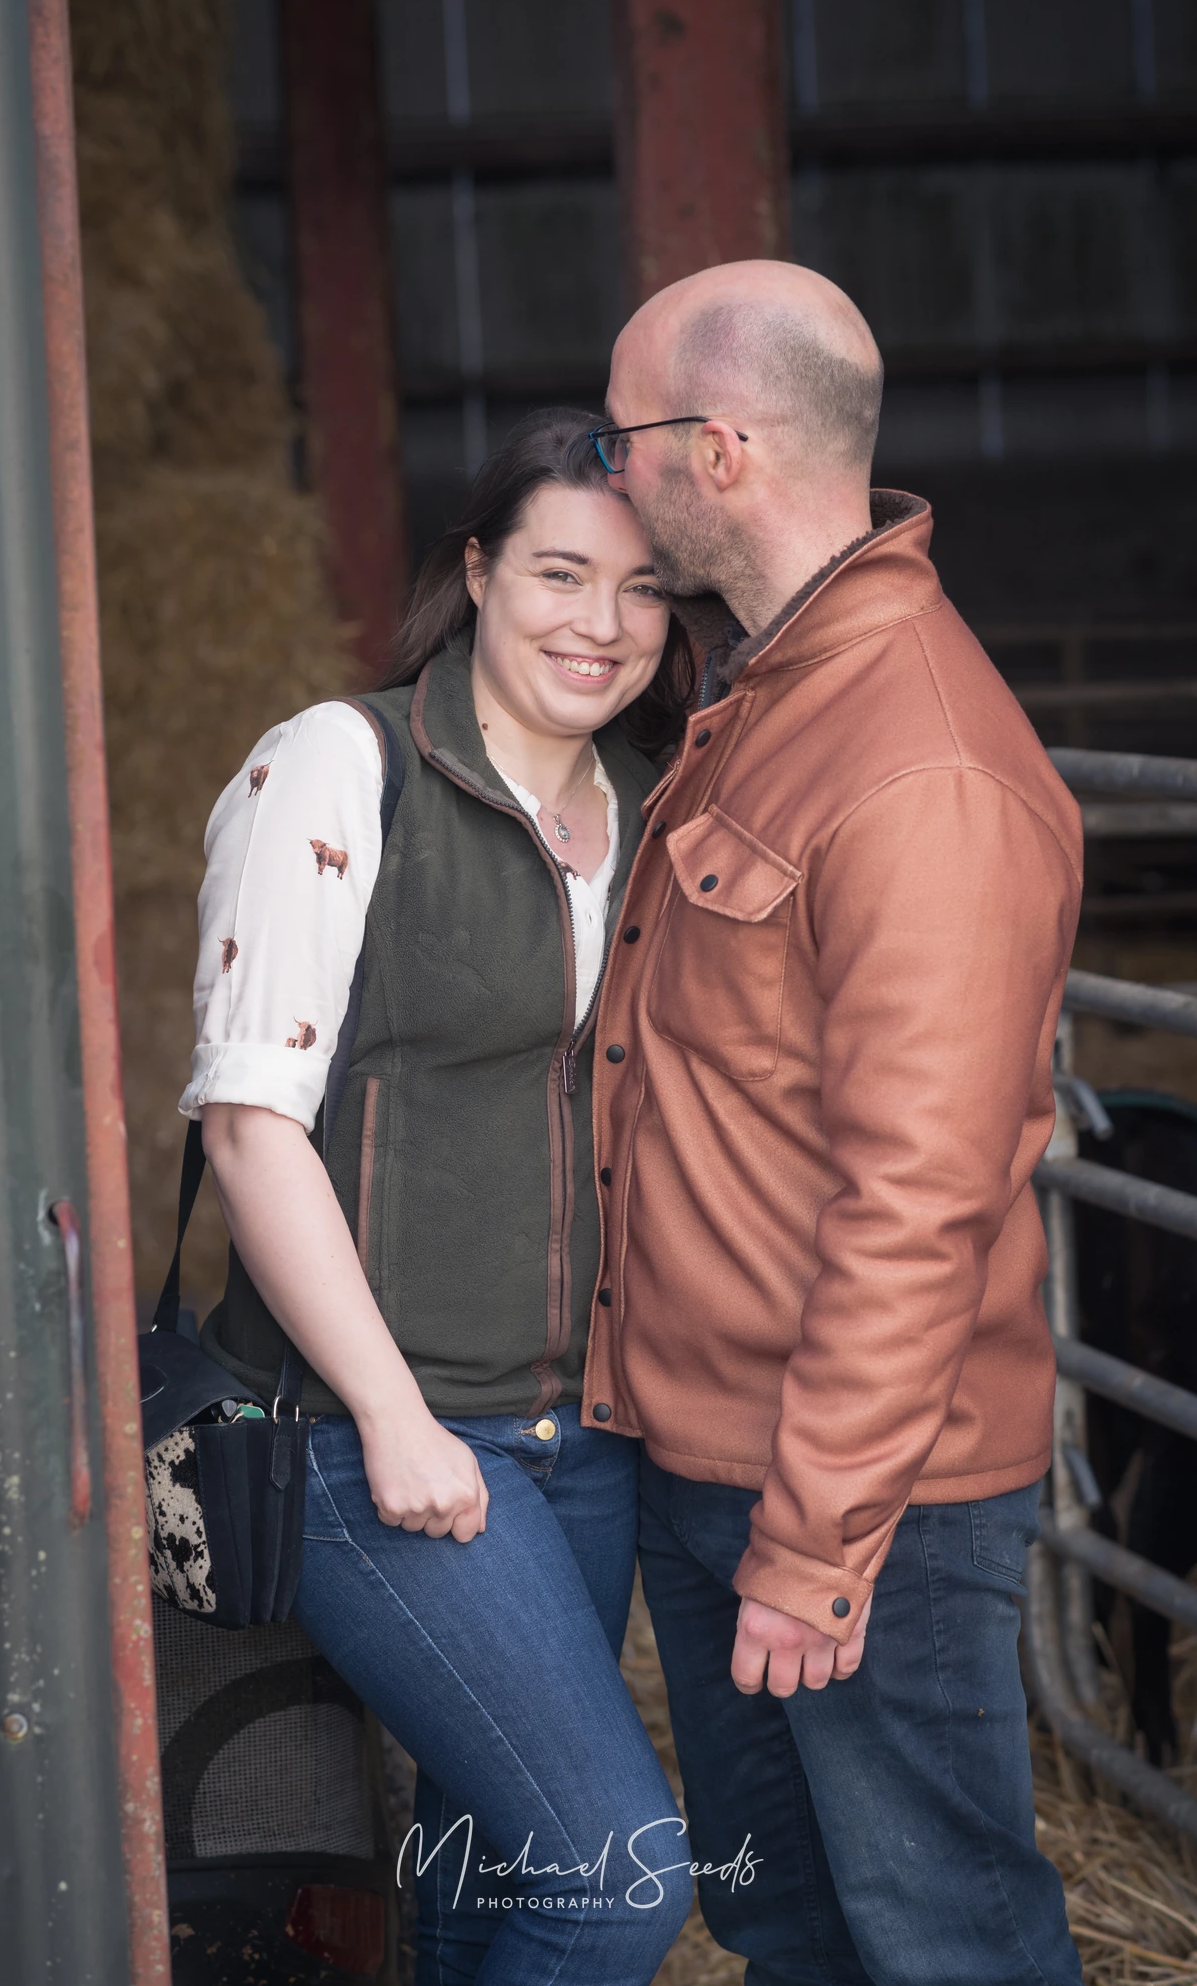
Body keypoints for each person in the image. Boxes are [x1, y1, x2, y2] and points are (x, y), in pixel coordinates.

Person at [582, 262, 1086, 1986]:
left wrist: (815, 1545)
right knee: (787, 1924)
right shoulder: (764, 700)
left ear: (718, 450)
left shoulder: (918, 763)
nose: (607, 472)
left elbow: (919, 1199)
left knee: (940, 1933)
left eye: (621, 435)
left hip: (868, 1504)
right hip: (717, 1457)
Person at [180, 410, 695, 1984]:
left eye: (647, 590)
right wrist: (391, 1416)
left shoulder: (654, 804)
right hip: (377, 1437)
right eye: (558, 572)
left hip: (575, 1445)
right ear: (475, 572)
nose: (599, 626)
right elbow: (252, 1122)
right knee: (619, 1886)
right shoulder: (344, 767)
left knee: (485, 1895)